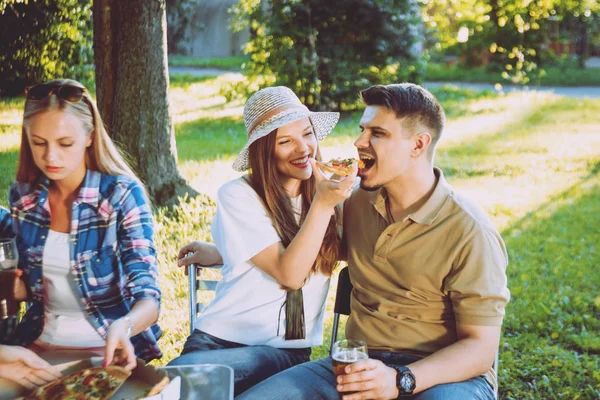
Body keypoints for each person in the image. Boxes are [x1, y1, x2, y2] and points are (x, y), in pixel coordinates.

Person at [235, 83, 511, 400]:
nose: (358, 142)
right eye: (362, 129)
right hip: (356, 365)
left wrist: (399, 380)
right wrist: (226, 252)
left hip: (444, 376)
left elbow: (480, 348)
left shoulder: (470, 231)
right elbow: (312, 251)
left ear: (418, 145)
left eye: (376, 133)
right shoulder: (355, 203)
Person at [169, 86, 357, 395]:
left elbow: (297, 265)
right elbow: (288, 269)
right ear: (264, 150)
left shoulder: (334, 194)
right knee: (175, 385)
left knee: (179, 384)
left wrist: (225, 252)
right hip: (216, 342)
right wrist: (232, 250)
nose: (303, 149)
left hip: (286, 351)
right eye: (285, 141)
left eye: (307, 134)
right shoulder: (239, 194)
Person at [9, 79, 162, 371]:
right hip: (37, 349)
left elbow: (148, 297)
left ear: (90, 137)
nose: (51, 156)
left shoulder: (122, 195)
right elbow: (28, 286)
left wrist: (125, 326)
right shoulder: (24, 197)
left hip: (107, 354)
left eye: (65, 143)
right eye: (38, 143)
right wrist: (14, 287)